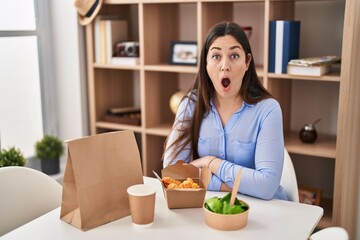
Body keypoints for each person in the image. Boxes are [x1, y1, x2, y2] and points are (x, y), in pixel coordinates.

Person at [163, 22, 287, 200]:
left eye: (234, 55)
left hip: (265, 210)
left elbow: (266, 187)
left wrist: (210, 163)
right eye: (216, 56)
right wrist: (235, 187)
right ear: (205, 63)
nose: (224, 65)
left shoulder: (268, 109)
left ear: (247, 62)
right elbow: (172, 173)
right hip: (210, 207)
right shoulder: (191, 104)